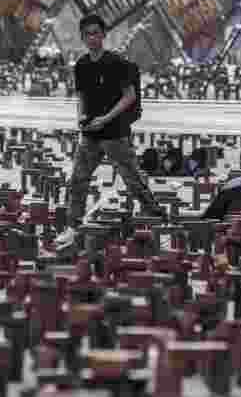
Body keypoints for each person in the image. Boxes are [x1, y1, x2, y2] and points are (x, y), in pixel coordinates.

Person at [55, 14, 165, 248]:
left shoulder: (116, 63)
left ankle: (158, 221)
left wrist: (105, 119)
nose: (92, 38)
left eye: (96, 33)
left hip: (115, 133)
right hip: (91, 134)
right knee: (77, 180)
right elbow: (82, 96)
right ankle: (72, 226)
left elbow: (129, 96)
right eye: (88, 34)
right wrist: (81, 117)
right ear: (82, 38)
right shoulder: (82, 65)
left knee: (133, 180)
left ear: (103, 35)